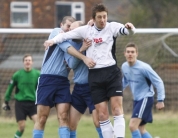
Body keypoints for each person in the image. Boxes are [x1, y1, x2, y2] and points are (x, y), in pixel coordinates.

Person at [44, 3, 136, 138]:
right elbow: (64, 36)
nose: (103, 20)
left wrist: (131, 28)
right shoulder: (86, 30)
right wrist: (52, 41)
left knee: (117, 109)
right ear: (93, 18)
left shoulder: (112, 27)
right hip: (95, 76)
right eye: (99, 17)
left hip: (112, 73)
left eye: (105, 17)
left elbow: (128, 32)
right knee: (103, 115)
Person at [32, 16, 94, 138]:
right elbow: (66, 47)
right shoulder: (57, 33)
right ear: (61, 25)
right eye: (68, 27)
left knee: (64, 116)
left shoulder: (75, 42)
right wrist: (83, 55)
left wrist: (82, 45)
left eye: (72, 29)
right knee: (42, 118)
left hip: (63, 82)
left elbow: (72, 63)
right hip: (47, 79)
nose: (69, 30)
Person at [63, 21, 103, 138]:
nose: (71, 31)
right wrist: (81, 49)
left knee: (98, 122)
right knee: (71, 125)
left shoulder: (93, 40)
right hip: (78, 89)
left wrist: (93, 23)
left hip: (93, 89)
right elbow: (72, 65)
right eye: (70, 29)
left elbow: (100, 25)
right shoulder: (69, 45)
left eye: (74, 29)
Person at [121, 43, 165, 138]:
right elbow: (125, 81)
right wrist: (116, 93)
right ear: (124, 53)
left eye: (132, 52)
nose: (130, 54)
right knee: (140, 129)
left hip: (145, 98)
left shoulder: (144, 68)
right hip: (137, 100)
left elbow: (159, 82)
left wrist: (160, 100)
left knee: (133, 126)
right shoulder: (124, 66)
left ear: (137, 53)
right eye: (128, 52)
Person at [2, 54, 40, 138]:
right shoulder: (17, 75)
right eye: (26, 60)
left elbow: (41, 88)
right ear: (23, 62)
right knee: (21, 127)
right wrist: (6, 101)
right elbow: (10, 88)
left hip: (33, 103)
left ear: (32, 62)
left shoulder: (37, 74)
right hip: (20, 104)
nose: (27, 62)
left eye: (29, 60)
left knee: (38, 124)